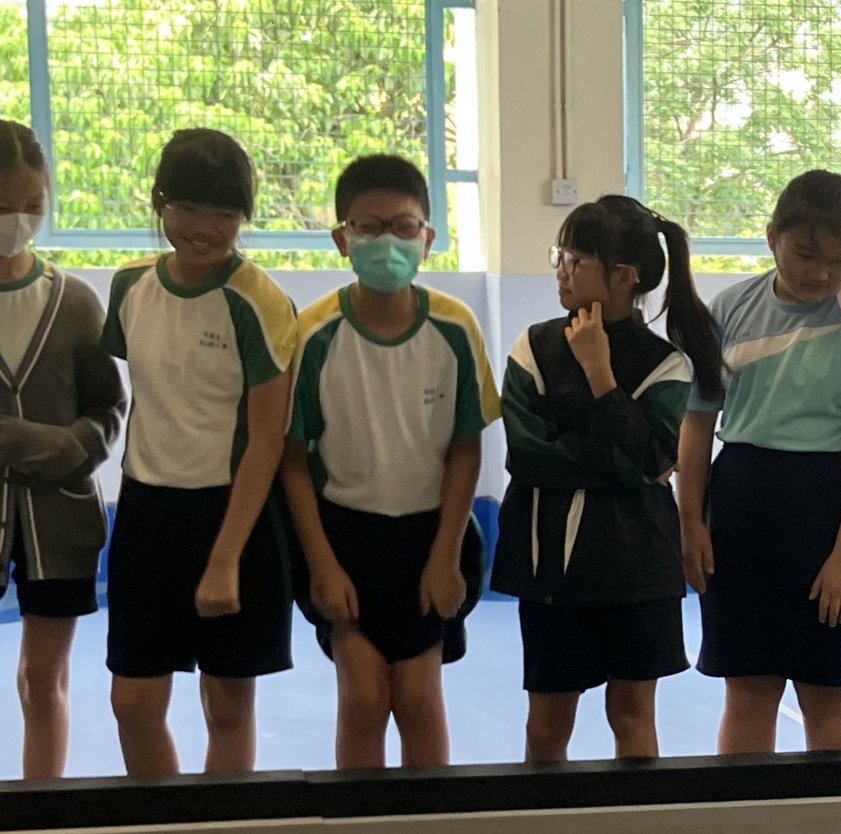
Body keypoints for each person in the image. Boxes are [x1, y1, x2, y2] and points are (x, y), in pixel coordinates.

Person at [677, 170, 841, 754]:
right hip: (740, 507)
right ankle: (747, 810)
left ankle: (836, 812)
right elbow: (697, 423)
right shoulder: (728, 310)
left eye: (840, 260)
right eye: (805, 254)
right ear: (771, 237)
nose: (821, 273)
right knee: (747, 688)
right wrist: (690, 521)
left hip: (829, 514)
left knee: (823, 690)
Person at [281, 154, 498, 771]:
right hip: (344, 538)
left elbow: (465, 446)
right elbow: (293, 459)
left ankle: (429, 825)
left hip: (430, 536)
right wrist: (322, 565)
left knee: (420, 699)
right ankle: (361, 824)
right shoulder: (314, 335)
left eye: (404, 227)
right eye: (369, 227)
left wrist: (445, 556)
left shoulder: (456, 328)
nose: (387, 242)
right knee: (364, 698)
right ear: (342, 239)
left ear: (427, 239)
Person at [494, 195, 722, 760]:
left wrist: (600, 374)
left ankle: (641, 816)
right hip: (552, 564)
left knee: (631, 714)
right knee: (547, 722)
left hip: (636, 569)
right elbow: (528, 456)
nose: (561, 271)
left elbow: (649, 463)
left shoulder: (668, 364)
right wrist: (615, 461)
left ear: (624, 276)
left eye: (576, 261)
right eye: (559, 257)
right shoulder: (533, 347)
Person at [100, 128, 298, 777]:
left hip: (234, 517)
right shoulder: (129, 288)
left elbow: (267, 440)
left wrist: (224, 559)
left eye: (224, 213)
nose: (204, 228)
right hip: (146, 513)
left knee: (227, 706)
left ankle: (225, 829)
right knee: (132, 703)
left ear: (243, 216)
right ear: (160, 203)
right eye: (187, 207)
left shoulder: (260, 302)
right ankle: (163, 825)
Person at [0, 119, 126, 779]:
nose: (18, 222)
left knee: (41, 680)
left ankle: (40, 806)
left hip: (61, 521)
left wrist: (59, 447)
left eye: (32, 206)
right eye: (4, 207)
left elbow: (107, 410)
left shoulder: (75, 302)